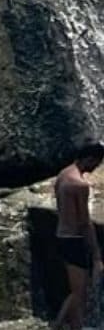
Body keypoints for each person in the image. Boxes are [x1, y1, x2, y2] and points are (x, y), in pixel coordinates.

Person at [53, 141, 104, 330]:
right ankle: (60, 325)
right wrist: (97, 255)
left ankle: (71, 325)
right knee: (79, 292)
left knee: (77, 290)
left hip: (61, 236)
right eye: (96, 163)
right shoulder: (80, 185)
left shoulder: (63, 175)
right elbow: (84, 221)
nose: (96, 168)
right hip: (74, 240)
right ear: (90, 159)